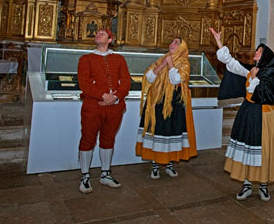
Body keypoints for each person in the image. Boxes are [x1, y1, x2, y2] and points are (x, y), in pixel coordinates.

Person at [210, 28, 274, 201]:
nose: (256, 52)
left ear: (265, 56)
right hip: (248, 113)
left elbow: (267, 94)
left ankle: (263, 185)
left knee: (263, 149)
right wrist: (219, 42)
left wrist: (255, 78)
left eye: (259, 51)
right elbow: (232, 64)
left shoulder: (271, 74)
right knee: (248, 148)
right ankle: (247, 184)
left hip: (264, 116)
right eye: (257, 50)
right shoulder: (251, 70)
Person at [77, 28, 131, 194]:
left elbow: (126, 81)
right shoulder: (85, 59)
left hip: (115, 107)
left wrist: (116, 97)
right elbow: (84, 83)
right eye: (97, 32)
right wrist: (102, 95)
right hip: (92, 107)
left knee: (108, 138)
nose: (97, 33)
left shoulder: (119, 58)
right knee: (88, 138)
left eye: (102, 33)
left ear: (110, 39)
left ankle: (105, 174)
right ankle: (85, 175)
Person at [136, 37, 197, 179]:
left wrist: (170, 65)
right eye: (172, 42)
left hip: (173, 103)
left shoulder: (184, 63)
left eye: (177, 43)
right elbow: (149, 77)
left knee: (170, 131)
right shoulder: (162, 59)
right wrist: (162, 65)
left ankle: (169, 163)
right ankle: (155, 164)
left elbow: (177, 80)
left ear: (182, 47)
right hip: (156, 101)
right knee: (156, 130)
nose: (172, 44)